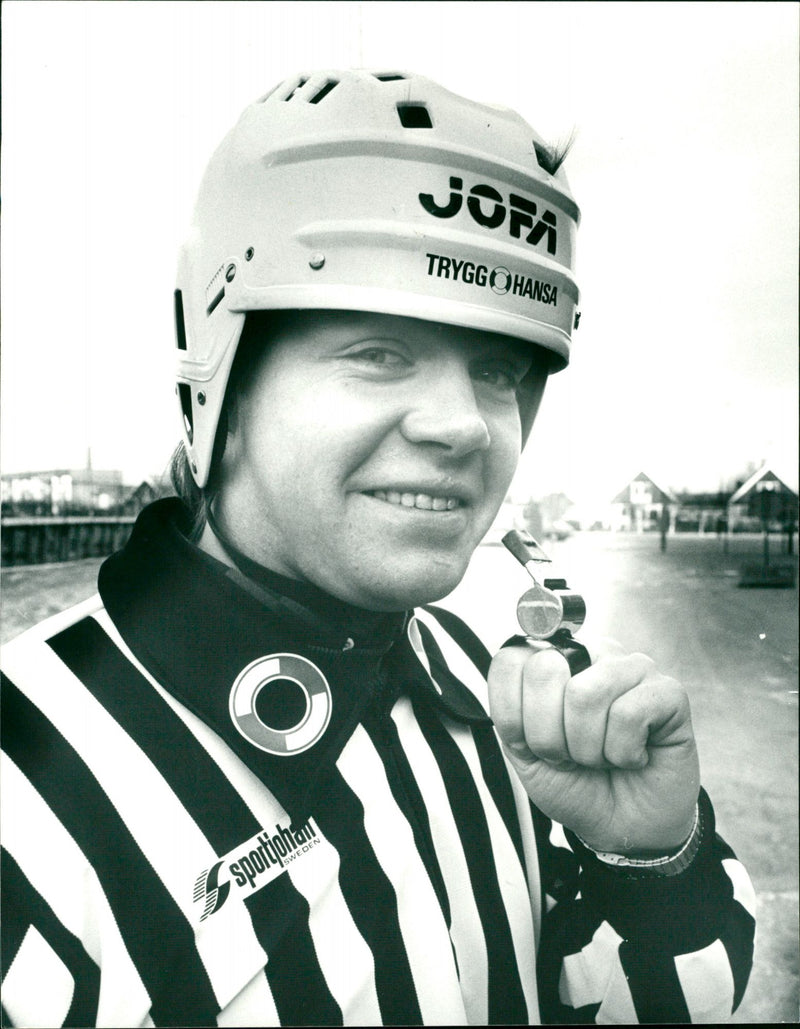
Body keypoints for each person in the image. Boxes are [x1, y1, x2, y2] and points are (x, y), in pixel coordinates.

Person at [1, 70, 755, 1027]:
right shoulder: (19, 798)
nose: (468, 427)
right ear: (219, 381)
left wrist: (654, 862)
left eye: (499, 370)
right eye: (380, 353)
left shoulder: (486, 684)